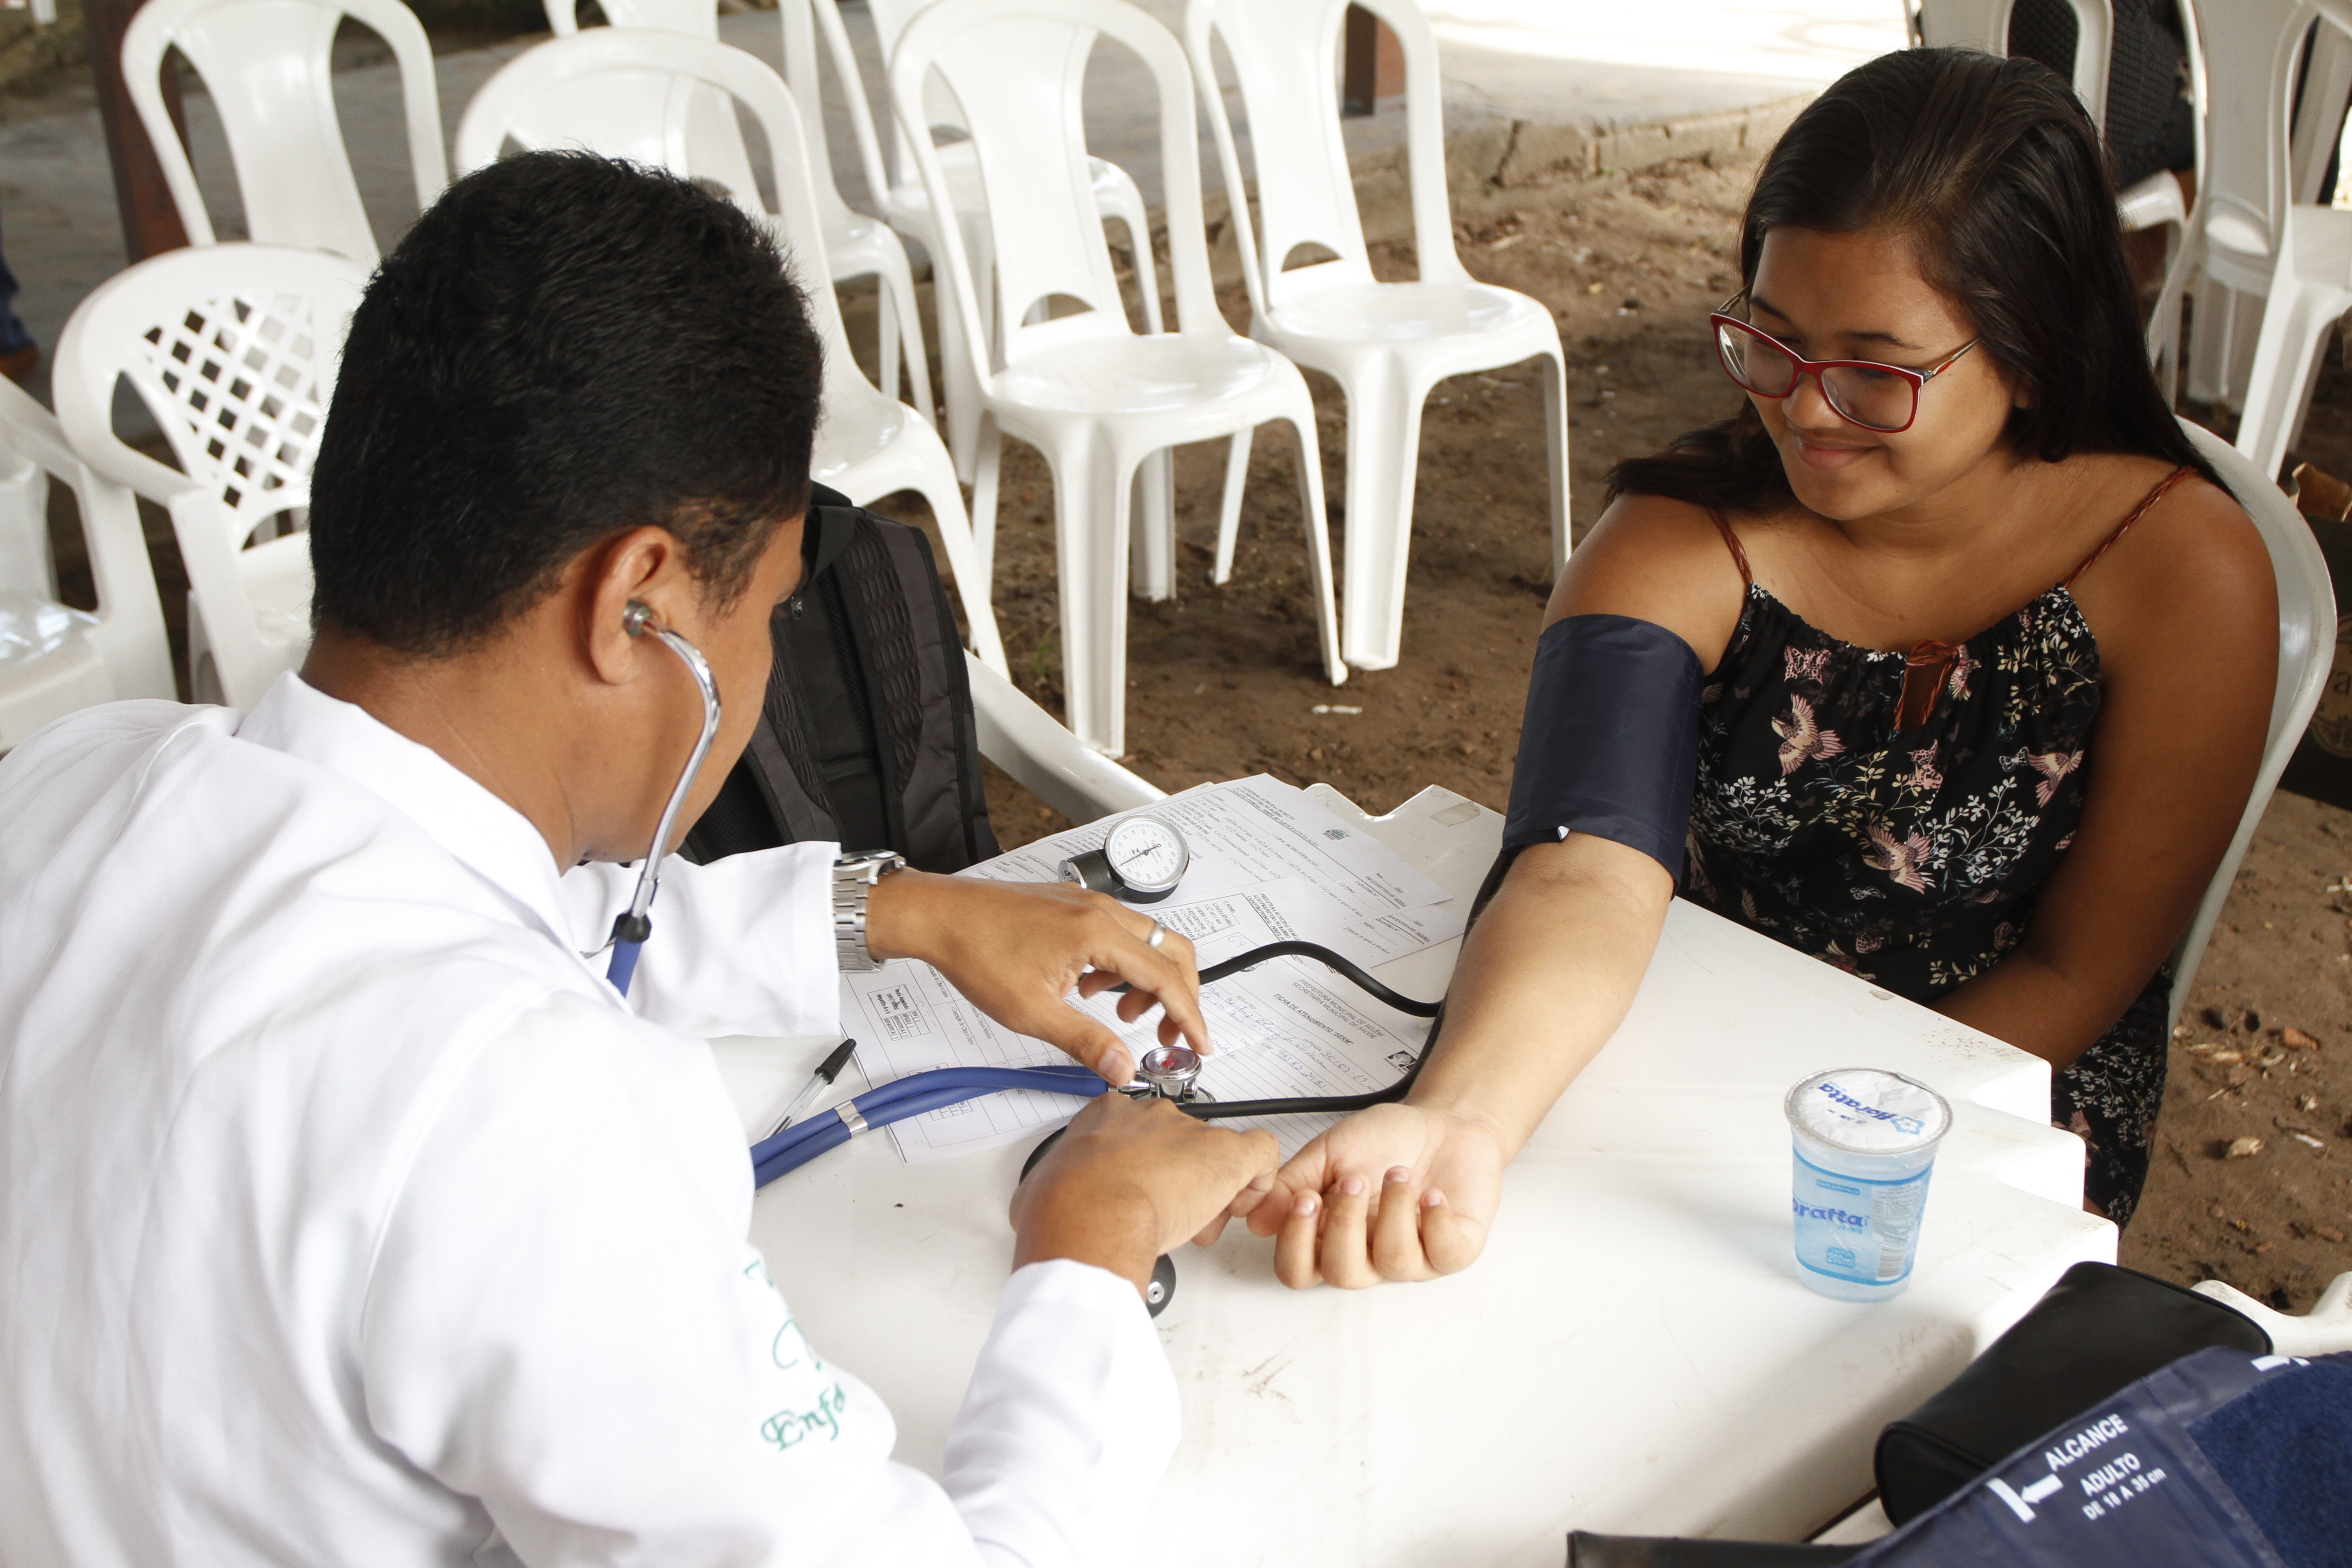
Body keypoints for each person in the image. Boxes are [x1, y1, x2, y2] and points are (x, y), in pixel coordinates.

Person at [0, 151, 1278, 1564]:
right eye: (769, 612)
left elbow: (500, 930)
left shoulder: (78, 778)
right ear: (637, 607)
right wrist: (1091, 1249)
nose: (765, 657)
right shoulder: (535, 1117)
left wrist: (902, 911)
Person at [1238, 47, 2276, 1286]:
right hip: (1660, 1047)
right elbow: (1584, 873)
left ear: (2032, 350)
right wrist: (1462, 1117)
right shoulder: (1683, 539)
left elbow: (2078, 972)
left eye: (1876, 372)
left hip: (1984, 1093)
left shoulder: (2179, 573)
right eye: (1772, 343)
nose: (1807, 410)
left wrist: (1812, 1142)